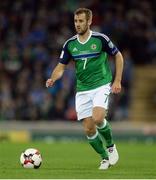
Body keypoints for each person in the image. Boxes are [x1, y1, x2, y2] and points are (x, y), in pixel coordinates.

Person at [46, 8, 124, 170]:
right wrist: (53, 78)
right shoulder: (70, 44)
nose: (78, 24)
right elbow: (61, 67)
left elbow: (118, 56)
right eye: (76, 21)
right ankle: (104, 158)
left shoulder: (100, 39)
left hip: (101, 84)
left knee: (98, 117)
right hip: (82, 89)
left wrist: (117, 80)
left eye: (81, 21)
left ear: (89, 22)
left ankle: (110, 146)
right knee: (89, 129)